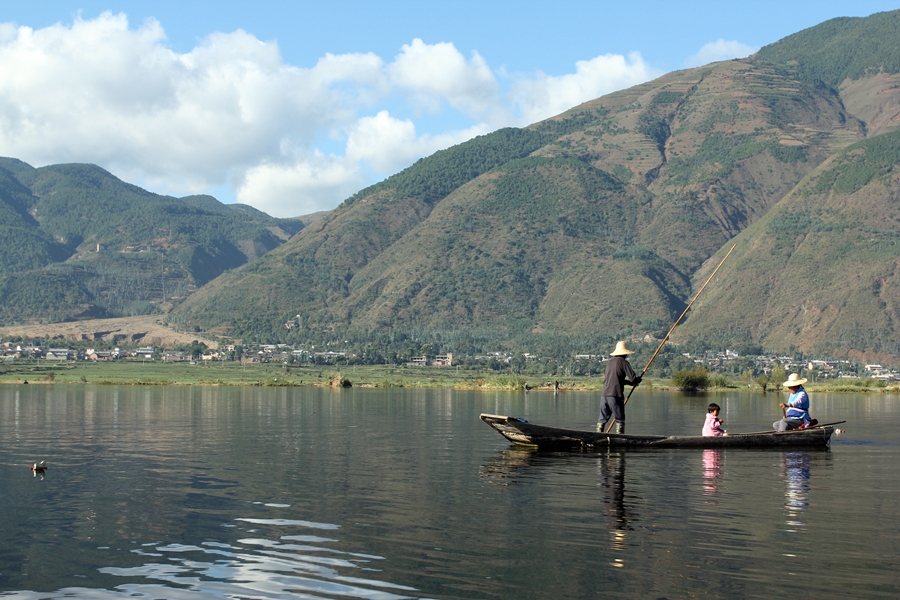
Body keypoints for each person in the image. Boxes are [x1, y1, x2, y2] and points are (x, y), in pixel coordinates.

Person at [596, 341, 641, 434]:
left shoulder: (609, 363)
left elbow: (615, 379)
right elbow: (633, 378)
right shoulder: (624, 362)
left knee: (602, 419)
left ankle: (597, 436)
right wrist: (637, 380)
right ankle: (620, 438)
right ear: (625, 353)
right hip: (615, 395)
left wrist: (629, 383)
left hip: (604, 395)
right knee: (620, 419)